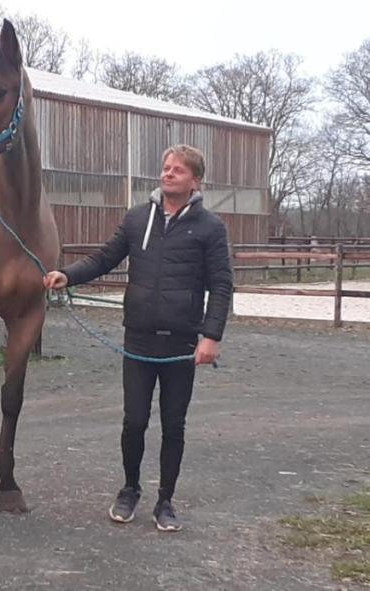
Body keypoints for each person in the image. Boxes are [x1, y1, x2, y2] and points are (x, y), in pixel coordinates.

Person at [43, 144, 233, 532]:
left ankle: (165, 501)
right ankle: (129, 489)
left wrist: (210, 336)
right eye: (165, 168)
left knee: (173, 425)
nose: (167, 174)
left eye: (177, 170)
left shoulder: (210, 228)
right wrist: (68, 275)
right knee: (134, 421)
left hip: (181, 343)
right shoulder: (137, 218)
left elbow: (222, 285)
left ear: (194, 180)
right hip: (139, 339)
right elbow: (104, 258)